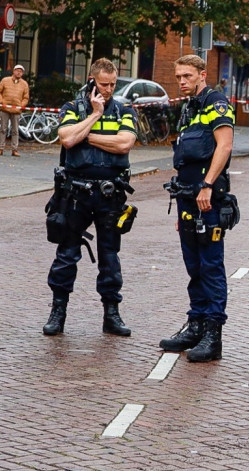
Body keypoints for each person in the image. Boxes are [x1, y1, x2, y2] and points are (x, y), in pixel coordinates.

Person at [42, 58, 137, 336]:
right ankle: (58, 312)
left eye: (112, 84)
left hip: (110, 195)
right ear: (92, 80)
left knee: (110, 256)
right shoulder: (73, 108)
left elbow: (124, 144)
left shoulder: (124, 110)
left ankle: (112, 314)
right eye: (103, 84)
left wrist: (86, 135)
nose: (108, 90)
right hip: (75, 194)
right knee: (66, 255)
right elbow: (67, 140)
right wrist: (94, 116)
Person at [158, 54, 235, 362]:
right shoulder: (190, 108)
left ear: (203, 74)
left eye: (187, 76)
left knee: (211, 265)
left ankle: (213, 335)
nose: (182, 81)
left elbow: (225, 146)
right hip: (188, 199)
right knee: (194, 266)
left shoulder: (216, 103)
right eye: (179, 77)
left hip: (208, 199)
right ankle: (195, 325)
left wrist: (207, 185)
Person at [0, 64, 30, 156]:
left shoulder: (24, 84)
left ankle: (14, 150)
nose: (19, 72)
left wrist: (21, 105)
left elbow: (26, 97)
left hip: (16, 110)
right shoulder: (5, 80)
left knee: (15, 130)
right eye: (17, 70)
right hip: (5, 108)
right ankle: (1, 148)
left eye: (21, 71)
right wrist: (2, 102)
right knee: (3, 129)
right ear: (13, 71)